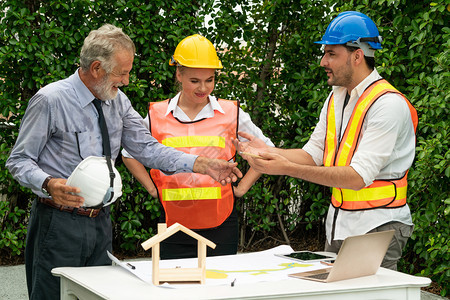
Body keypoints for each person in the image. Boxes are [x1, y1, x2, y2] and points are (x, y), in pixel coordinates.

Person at [6, 25, 242, 299]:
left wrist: (202, 164)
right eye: (123, 72)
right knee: (53, 295)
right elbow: (19, 159)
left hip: (101, 222)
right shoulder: (50, 100)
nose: (127, 80)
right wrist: (48, 183)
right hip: (58, 223)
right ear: (96, 68)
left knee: (97, 295)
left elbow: (148, 149)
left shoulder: (118, 102)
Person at [235, 11, 418, 270]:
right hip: (341, 225)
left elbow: (357, 177)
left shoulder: (387, 105)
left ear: (357, 56)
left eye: (331, 54)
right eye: (324, 53)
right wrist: (268, 151)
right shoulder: (336, 97)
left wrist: (287, 169)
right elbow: (314, 154)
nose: (323, 61)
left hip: (379, 225)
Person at [121, 34, 274, 259]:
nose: (203, 88)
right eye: (195, 80)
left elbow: (267, 151)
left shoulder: (231, 113)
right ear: (179, 74)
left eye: (209, 80)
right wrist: (152, 188)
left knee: (219, 289)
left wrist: (241, 189)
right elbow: (129, 153)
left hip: (221, 224)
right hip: (172, 223)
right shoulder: (157, 115)